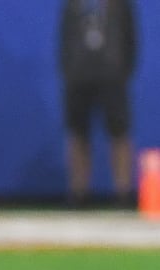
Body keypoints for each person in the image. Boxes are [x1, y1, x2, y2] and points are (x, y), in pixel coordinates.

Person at [59, 0, 139, 206]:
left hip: (111, 76)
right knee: (77, 134)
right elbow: (64, 37)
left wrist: (122, 70)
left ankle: (123, 193)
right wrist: (69, 71)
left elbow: (131, 38)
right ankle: (79, 193)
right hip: (79, 77)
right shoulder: (72, 4)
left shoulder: (121, 4)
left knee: (119, 132)